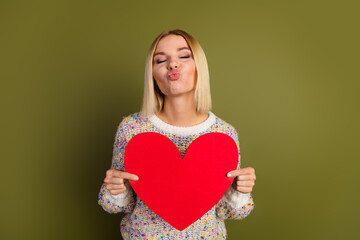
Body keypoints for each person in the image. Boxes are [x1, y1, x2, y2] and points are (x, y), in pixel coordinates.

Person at [98, 29, 256, 239]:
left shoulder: (223, 134)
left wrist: (240, 191)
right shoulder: (132, 128)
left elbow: (228, 211)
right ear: (152, 74)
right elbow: (119, 206)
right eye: (161, 60)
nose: (173, 64)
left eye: (183, 56)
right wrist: (115, 189)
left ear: (199, 67)